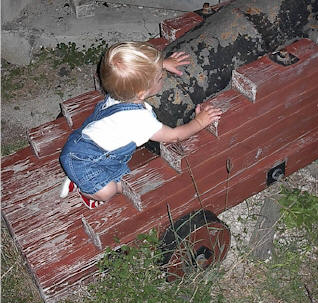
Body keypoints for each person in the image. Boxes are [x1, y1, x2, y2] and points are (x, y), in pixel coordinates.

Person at [59, 41, 222, 209]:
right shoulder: (139, 120)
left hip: (86, 146)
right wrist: (199, 121)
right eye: (159, 77)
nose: (163, 77)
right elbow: (175, 136)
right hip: (85, 160)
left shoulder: (119, 91)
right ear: (142, 93)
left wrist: (162, 64)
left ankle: (83, 177)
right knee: (109, 190)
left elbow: (133, 73)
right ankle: (83, 188)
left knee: (125, 176)